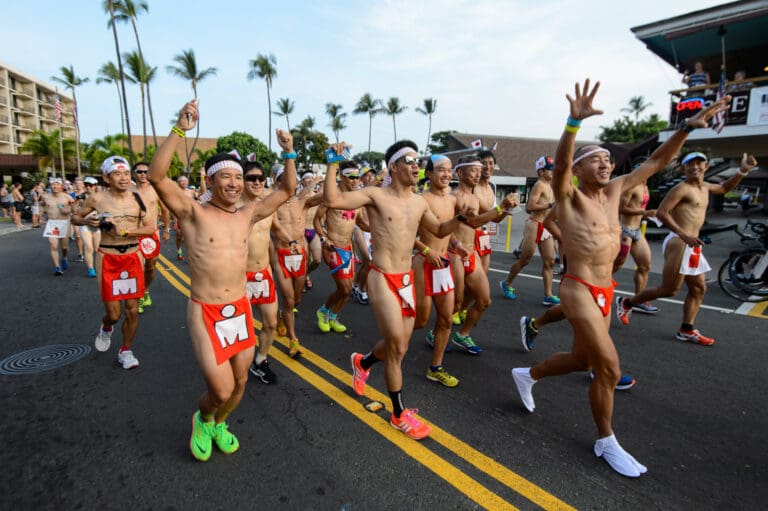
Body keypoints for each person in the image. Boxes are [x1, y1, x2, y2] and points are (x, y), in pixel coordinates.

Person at [511, 79, 730, 477]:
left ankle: (529, 374)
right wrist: (572, 125)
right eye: (595, 159)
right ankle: (605, 442)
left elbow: (656, 163)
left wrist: (686, 128)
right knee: (608, 368)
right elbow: (560, 167)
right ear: (577, 170)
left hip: (605, 289)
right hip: (577, 287)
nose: (605, 163)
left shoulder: (615, 190)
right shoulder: (569, 195)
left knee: (582, 360)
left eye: (607, 160)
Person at [148, 100, 297, 461]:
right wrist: (180, 127)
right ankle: (203, 418)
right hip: (206, 310)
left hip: (240, 308)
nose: (233, 183)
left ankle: (219, 423)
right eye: (225, 176)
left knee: (241, 382)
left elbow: (287, 190)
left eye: (238, 177)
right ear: (211, 180)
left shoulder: (248, 214)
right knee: (220, 387)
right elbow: (156, 176)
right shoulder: (193, 212)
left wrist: (289, 152)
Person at [328, 140, 485, 440]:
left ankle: (362, 362)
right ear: (394, 167)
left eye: (418, 161)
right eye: (409, 161)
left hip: (405, 281)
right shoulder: (375, 194)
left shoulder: (419, 202)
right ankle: (398, 414)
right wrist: (332, 162)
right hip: (382, 276)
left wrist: (459, 219)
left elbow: (439, 230)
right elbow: (333, 200)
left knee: (399, 345)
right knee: (398, 348)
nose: (416, 166)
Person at [616, 151, 757, 345]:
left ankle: (686, 329)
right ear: (684, 168)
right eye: (690, 164)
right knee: (669, 289)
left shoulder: (706, 187)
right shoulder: (681, 189)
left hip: (693, 244)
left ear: (706, 167)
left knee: (699, 288)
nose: (695, 167)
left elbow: (724, 187)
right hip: (680, 241)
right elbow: (663, 213)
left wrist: (742, 170)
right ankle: (626, 302)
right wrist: (684, 234)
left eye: (700, 163)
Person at [71, 156, 156, 370]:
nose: (124, 178)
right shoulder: (96, 199)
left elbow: (149, 228)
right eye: (118, 174)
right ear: (106, 177)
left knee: (132, 310)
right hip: (108, 257)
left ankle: (125, 350)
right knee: (114, 314)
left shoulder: (137, 199)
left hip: (132, 256)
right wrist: (86, 220)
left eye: (126, 173)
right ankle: (107, 326)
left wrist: (126, 231)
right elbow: (75, 217)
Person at [412, 154, 472, 387]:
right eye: (440, 170)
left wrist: (456, 245)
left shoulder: (451, 200)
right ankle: (392, 347)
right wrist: (427, 251)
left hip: (444, 263)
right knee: (420, 320)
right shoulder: (420, 200)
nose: (446, 174)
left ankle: (435, 367)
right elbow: (408, 234)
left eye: (449, 170)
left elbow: (448, 230)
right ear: (428, 174)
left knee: (447, 318)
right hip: (424, 263)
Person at [451, 154, 518, 354]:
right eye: (474, 170)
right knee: (454, 305)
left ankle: (462, 334)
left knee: (484, 300)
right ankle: (438, 334)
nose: (479, 173)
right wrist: (502, 207)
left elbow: (490, 219)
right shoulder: (454, 198)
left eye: (480, 170)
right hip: (455, 253)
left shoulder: (475, 197)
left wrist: (506, 209)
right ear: (460, 173)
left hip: (472, 253)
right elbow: (473, 222)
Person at [271, 166, 324, 357]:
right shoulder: (272, 204)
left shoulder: (302, 202)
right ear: (277, 183)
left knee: (297, 299)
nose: (287, 184)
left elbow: (327, 198)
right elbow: (276, 228)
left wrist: (323, 182)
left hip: (300, 256)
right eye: (282, 180)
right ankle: (293, 339)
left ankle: (282, 315)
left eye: (290, 181)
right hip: (282, 254)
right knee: (289, 298)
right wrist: (290, 241)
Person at [313, 161, 366, 334]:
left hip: (348, 250)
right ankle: (323, 311)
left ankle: (333, 316)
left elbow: (361, 223)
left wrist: (382, 230)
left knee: (347, 290)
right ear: (342, 177)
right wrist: (323, 238)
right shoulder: (331, 198)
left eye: (358, 177)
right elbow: (317, 220)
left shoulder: (357, 200)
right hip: (333, 248)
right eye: (352, 177)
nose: (356, 180)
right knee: (344, 288)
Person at [501, 155, 560, 305]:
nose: (552, 172)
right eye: (549, 169)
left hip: (545, 226)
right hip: (534, 224)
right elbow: (530, 207)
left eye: (553, 169)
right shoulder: (539, 185)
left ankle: (548, 295)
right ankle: (507, 283)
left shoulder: (551, 185)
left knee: (550, 262)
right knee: (525, 259)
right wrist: (549, 206)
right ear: (541, 172)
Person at [242, 160, 281, 384]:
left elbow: (276, 231)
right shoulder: (234, 207)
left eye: (260, 178)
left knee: (271, 323)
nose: (257, 182)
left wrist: (292, 240)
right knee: (243, 328)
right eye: (251, 178)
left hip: (264, 273)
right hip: (239, 277)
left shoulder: (267, 207)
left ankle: (260, 360)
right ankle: (238, 364)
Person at [612, 176, 658, 313]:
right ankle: (596, 287)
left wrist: (648, 215)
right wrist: (644, 212)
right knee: (617, 265)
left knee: (645, 266)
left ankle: (639, 299)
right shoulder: (631, 187)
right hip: (625, 231)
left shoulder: (646, 187)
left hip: (637, 232)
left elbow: (638, 207)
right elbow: (620, 208)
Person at [131, 161, 171, 313]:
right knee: (137, 266)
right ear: (134, 173)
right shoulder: (128, 190)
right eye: (139, 171)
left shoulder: (155, 190)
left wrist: (166, 229)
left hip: (152, 233)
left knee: (150, 267)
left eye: (145, 172)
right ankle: (138, 296)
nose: (142, 174)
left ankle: (145, 290)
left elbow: (165, 211)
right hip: (134, 234)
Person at [40, 178, 74, 275]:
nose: (55, 186)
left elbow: (75, 207)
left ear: (61, 186)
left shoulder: (67, 197)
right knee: (54, 246)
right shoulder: (45, 197)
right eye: (53, 184)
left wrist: (68, 209)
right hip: (52, 223)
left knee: (64, 247)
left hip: (64, 223)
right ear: (50, 186)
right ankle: (57, 267)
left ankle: (64, 258)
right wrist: (40, 215)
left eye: (57, 184)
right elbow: (41, 205)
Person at [73, 176, 102, 277]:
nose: (88, 187)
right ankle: (91, 269)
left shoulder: (100, 197)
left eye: (90, 185)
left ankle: (100, 267)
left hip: (97, 225)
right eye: (86, 185)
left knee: (98, 249)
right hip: (85, 224)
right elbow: (74, 212)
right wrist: (76, 202)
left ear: (95, 186)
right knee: (89, 247)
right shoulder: (81, 197)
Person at [300, 170, 323, 291]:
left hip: (313, 230)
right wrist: (313, 182)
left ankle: (304, 274)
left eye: (311, 178)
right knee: (305, 258)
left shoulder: (317, 195)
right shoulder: (299, 195)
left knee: (317, 260)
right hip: (301, 232)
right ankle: (303, 278)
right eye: (307, 178)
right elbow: (301, 196)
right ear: (302, 181)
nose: (309, 179)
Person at [173, 175, 197, 261]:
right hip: (180, 217)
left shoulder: (191, 192)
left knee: (192, 237)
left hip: (190, 217)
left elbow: (197, 202)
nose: (184, 182)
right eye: (182, 181)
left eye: (185, 181)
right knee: (179, 236)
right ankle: (179, 250)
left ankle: (191, 255)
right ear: (178, 183)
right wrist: (175, 222)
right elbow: (173, 208)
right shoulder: (175, 193)